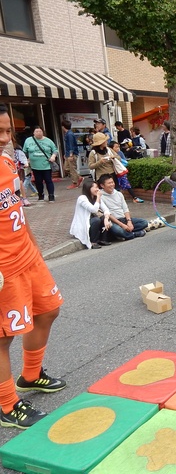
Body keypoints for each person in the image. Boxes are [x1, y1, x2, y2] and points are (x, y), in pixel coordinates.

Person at [0, 103, 66, 429]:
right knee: (3, 337)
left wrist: (35, 244)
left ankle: (30, 375)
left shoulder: (8, 161)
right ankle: (7, 405)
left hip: (26, 254)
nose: (4, 138)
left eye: (8, 130)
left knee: (48, 309)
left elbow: (17, 207)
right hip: (3, 267)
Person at [98, 174, 148, 240]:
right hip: (113, 222)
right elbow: (108, 214)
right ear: (102, 185)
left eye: (112, 182)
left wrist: (129, 222)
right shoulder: (100, 196)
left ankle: (124, 234)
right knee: (118, 230)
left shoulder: (119, 194)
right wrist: (122, 225)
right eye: (109, 183)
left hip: (124, 219)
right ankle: (134, 234)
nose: (112, 185)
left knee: (144, 222)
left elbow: (125, 209)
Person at [69, 179, 112, 249]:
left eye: (97, 187)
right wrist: (98, 197)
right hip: (84, 223)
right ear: (89, 188)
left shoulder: (95, 198)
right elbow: (94, 210)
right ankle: (93, 242)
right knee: (96, 220)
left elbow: (106, 210)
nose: (97, 189)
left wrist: (106, 219)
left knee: (103, 218)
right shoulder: (82, 198)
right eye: (95, 187)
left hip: (93, 221)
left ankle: (103, 239)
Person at [22, 127, 58, 202]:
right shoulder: (28, 140)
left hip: (46, 165)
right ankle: (40, 195)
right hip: (34, 165)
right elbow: (24, 151)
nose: (38, 133)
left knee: (48, 180)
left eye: (40, 131)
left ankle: (51, 195)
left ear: (43, 132)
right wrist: (26, 160)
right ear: (33, 133)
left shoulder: (48, 141)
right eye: (37, 131)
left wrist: (53, 156)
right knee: (38, 181)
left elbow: (55, 150)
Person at [62, 120, 83, 189]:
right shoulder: (68, 133)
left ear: (63, 127)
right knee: (66, 168)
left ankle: (75, 183)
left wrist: (70, 154)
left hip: (72, 154)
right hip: (68, 154)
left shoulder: (69, 134)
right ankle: (79, 177)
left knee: (72, 169)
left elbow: (71, 145)